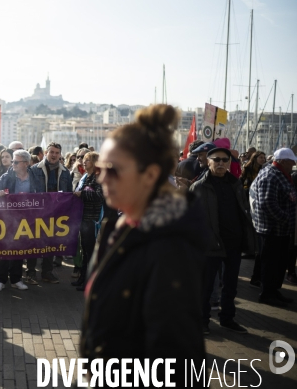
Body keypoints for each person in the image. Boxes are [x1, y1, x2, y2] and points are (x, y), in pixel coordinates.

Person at [80, 105, 206, 385]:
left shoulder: (170, 245)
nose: (101, 178)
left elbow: (176, 360)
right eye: (100, 167)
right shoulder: (120, 226)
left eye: (113, 170)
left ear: (149, 175)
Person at [190, 146, 254, 334]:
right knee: (206, 286)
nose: (220, 163)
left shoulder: (235, 183)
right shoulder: (199, 187)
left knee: (231, 285)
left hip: (233, 244)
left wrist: (245, 236)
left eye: (224, 160)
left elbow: (243, 212)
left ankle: (228, 318)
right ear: (208, 162)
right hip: (210, 245)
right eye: (216, 160)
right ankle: (202, 321)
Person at [250, 148, 297, 307]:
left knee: (278, 264)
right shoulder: (271, 175)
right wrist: (286, 218)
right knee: (270, 264)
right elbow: (267, 204)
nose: (294, 164)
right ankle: (267, 294)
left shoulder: (280, 173)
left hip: (281, 231)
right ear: (283, 161)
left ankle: (273, 290)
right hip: (271, 231)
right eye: (292, 162)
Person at [0, 150, 43, 292]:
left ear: (26, 163)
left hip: (27, 219)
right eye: (13, 161)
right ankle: (0, 280)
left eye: (16, 162)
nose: (12, 164)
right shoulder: (7, 176)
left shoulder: (35, 177)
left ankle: (16, 279)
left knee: (20, 250)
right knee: (5, 249)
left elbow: (41, 195)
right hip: (7, 218)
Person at [27, 142, 73, 284]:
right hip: (37, 213)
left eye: (56, 153)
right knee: (34, 242)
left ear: (60, 155)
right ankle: (31, 273)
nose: (54, 155)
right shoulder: (35, 170)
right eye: (51, 152)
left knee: (51, 243)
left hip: (56, 213)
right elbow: (30, 190)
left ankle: (47, 272)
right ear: (46, 153)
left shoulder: (65, 172)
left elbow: (69, 193)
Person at [71, 151, 104, 291]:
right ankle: (82, 278)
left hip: (91, 219)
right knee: (85, 251)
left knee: (90, 252)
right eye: (84, 159)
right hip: (83, 218)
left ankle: (89, 283)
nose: (84, 162)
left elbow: (99, 195)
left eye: (88, 160)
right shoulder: (86, 177)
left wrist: (82, 193)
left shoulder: (98, 177)